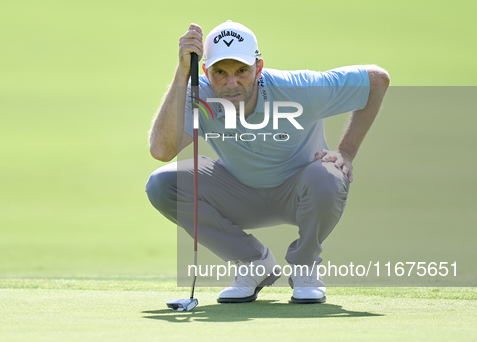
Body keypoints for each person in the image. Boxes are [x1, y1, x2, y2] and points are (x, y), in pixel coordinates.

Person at [146, 20, 389, 304]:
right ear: (205, 71)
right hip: (239, 193)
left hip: (301, 193)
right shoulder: (201, 95)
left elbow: (377, 80)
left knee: (329, 175)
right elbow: (161, 150)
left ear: (258, 68)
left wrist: (346, 151)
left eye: (242, 71)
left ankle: (305, 267)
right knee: (163, 184)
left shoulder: (299, 89)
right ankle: (252, 262)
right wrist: (181, 74)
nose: (231, 83)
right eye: (220, 72)